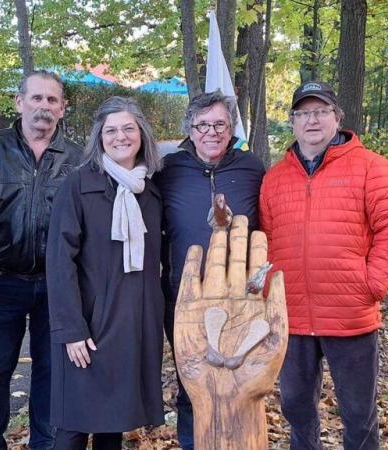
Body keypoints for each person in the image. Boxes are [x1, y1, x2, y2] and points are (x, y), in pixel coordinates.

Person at [259, 81, 388, 449]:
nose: (312, 120)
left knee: (358, 413)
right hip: (292, 315)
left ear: (336, 118)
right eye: (303, 113)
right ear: (293, 122)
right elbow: (264, 238)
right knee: (296, 408)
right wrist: (268, 292)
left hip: (349, 314)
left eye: (320, 111)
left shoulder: (370, 167)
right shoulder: (275, 178)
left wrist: (370, 283)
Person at [0, 70, 82, 450]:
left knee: (51, 375)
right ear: (19, 102)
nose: (43, 107)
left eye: (52, 100)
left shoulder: (79, 159)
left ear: (63, 109)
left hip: (57, 286)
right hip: (3, 282)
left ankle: (42, 445)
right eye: (36, 98)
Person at [46, 97, 164, 450]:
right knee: (73, 427)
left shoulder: (152, 189)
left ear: (141, 133)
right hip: (88, 326)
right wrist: (71, 330)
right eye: (111, 130)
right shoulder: (78, 185)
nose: (120, 137)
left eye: (128, 128)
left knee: (113, 425)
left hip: (134, 325)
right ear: (99, 137)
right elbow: (59, 261)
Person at [153, 90, 265, 450]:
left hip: (239, 295)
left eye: (219, 123)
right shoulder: (168, 171)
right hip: (184, 296)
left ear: (231, 128)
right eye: (202, 125)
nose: (211, 132)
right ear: (190, 129)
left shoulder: (252, 168)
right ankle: (193, 443)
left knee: (238, 379)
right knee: (193, 380)